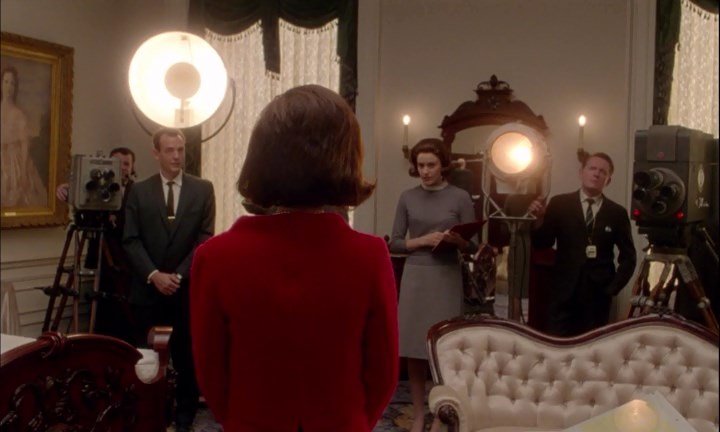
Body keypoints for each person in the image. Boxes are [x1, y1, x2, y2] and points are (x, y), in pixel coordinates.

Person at [190, 85, 398, 432]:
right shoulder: (370, 254)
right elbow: (383, 373)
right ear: (347, 156)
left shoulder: (215, 257)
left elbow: (211, 374)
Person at [123, 128, 215, 432]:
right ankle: (151, 414)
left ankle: (185, 417)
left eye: (180, 149)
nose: (177, 156)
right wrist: (154, 275)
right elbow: (130, 239)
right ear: (156, 153)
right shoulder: (139, 192)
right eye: (170, 150)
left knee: (186, 357)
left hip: (184, 290)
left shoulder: (203, 189)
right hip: (147, 291)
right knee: (147, 358)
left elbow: (205, 238)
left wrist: (177, 276)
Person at [389, 138, 478, 432]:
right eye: (421, 165)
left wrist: (457, 240)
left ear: (443, 165)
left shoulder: (460, 197)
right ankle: (418, 414)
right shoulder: (407, 197)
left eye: (431, 165)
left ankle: (441, 415)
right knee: (414, 348)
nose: (425, 171)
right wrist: (423, 240)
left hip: (446, 276)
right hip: (416, 276)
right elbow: (395, 242)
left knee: (444, 349)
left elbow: (473, 245)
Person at [528, 152, 636, 336]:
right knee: (556, 343)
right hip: (563, 292)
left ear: (608, 180)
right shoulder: (560, 204)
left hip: (598, 296)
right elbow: (542, 243)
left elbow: (629, 257)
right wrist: (538, 220)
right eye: (592, 168)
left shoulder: (617, 213)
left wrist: (612, 288)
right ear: (581, 173)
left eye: (603, 171)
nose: (596, 174)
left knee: (592, 345)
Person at [56, 147, 138, 342]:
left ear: (132, 167)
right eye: (117, 163)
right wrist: (69, 188)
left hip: (126, 263)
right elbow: (82, 196)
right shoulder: (97, 188)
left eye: (126, 164)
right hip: (101, 259)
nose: (121, 168)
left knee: (123, 312)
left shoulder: (138, 191)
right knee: (103, 310)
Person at [1, 66, 48, 208]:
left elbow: (24, 144)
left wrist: (22, 171)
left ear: (15, 88)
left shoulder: (19, 114)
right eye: (6, 82)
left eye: (12, 83)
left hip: (14, 161)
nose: (9, 87)